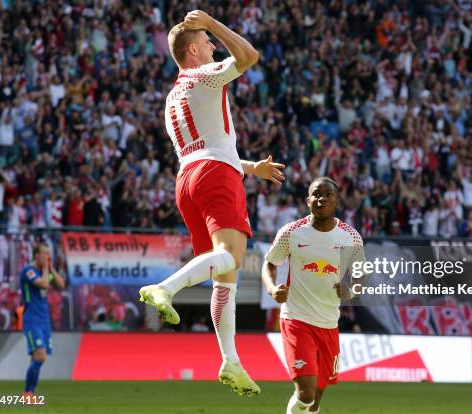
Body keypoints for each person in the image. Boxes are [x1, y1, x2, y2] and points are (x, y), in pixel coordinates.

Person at [138, 10, 285, 396]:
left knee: (225, 279)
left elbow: (205, 144)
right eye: (207, 42)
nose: (213, 45)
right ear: (192, 50)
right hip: (215, 176)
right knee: (233, 257)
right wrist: (214, 22)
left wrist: (251, 167)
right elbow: (249, 56)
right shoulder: (202, 75)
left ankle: (230, 361)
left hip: (188, 179)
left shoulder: (173, 97)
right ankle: (166, 288)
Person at [261, 177, 365, 414]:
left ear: (337, 200)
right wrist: (271, 288)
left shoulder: (351, 237)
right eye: (316, 194)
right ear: (308, 201)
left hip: (329, 324)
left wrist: (351, 291)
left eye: (328, 194)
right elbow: (269, 264)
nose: (322, 198)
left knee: (315, 401)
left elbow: (360, 278)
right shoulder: (291, 232)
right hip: (296, 319)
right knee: (305, 393)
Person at [20, 243, 65, 398]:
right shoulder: (29, 271)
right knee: (41, 356)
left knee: (36, 358)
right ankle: (27, 394)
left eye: (49, 254)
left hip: (44, 321)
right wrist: (46, 269)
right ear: (36, 255)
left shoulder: (44, 271)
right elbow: (44, 284)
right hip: (32, 319)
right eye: (44, 254)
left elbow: (61, 284)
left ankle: (30, 394)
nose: (47, 257)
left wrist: (51, 268)